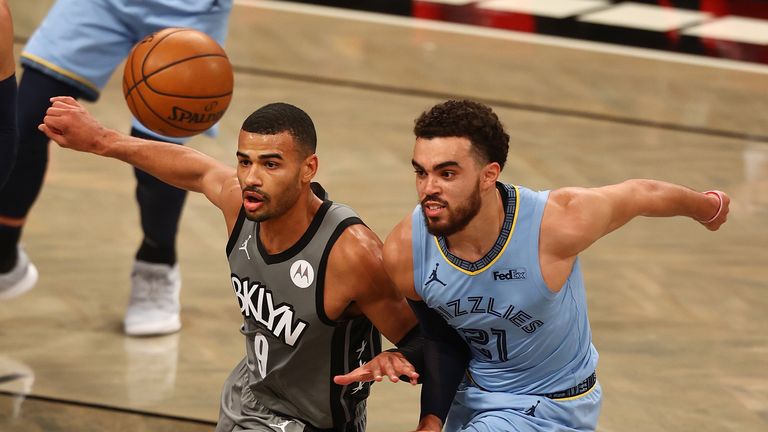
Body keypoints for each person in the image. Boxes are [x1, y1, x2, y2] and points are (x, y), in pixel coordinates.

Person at [39, 97, 422, 432]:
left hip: (310, 422)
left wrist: (403, 358)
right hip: (247, 398)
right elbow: (198, 169)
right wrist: (101, 140)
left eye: (271, 165)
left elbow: (427, 342)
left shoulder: (351, 254)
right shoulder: (240, 206)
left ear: (309, 169)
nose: (251, 179)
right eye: (244, 162)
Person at [382, 100, 729, 431]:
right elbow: (443, 342)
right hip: (472, 400)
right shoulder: (404, 251)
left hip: (551, 405)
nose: (429, 188)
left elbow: (641, 193)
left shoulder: (559, 222)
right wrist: (430, 421)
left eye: (447, 173)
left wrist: (706, 207)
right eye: (421, 172)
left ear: (489, 176)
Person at [0, 0, 233, 336]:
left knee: (156, 143)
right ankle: (5, 251)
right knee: (29, 117)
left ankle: (156, 263)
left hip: (190, 9)